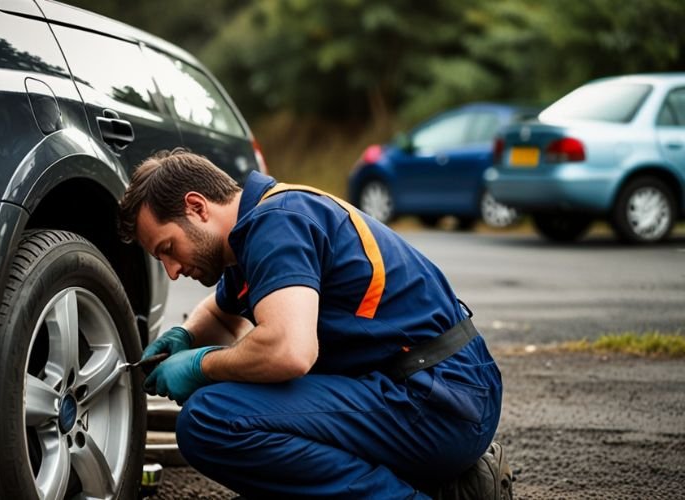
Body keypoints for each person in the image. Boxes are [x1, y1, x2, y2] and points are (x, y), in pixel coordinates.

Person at [118, 148, 509, 499]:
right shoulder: (256, 233)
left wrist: (199, 365)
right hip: (440, 392)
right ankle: (448, 488)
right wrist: (185, 336)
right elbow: (222, 312)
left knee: (211, 419)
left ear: (197, 207)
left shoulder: (276, 225)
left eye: (168, 249)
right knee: (238, 398)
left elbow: (289, 351)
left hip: (436, 401)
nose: (170, 271)